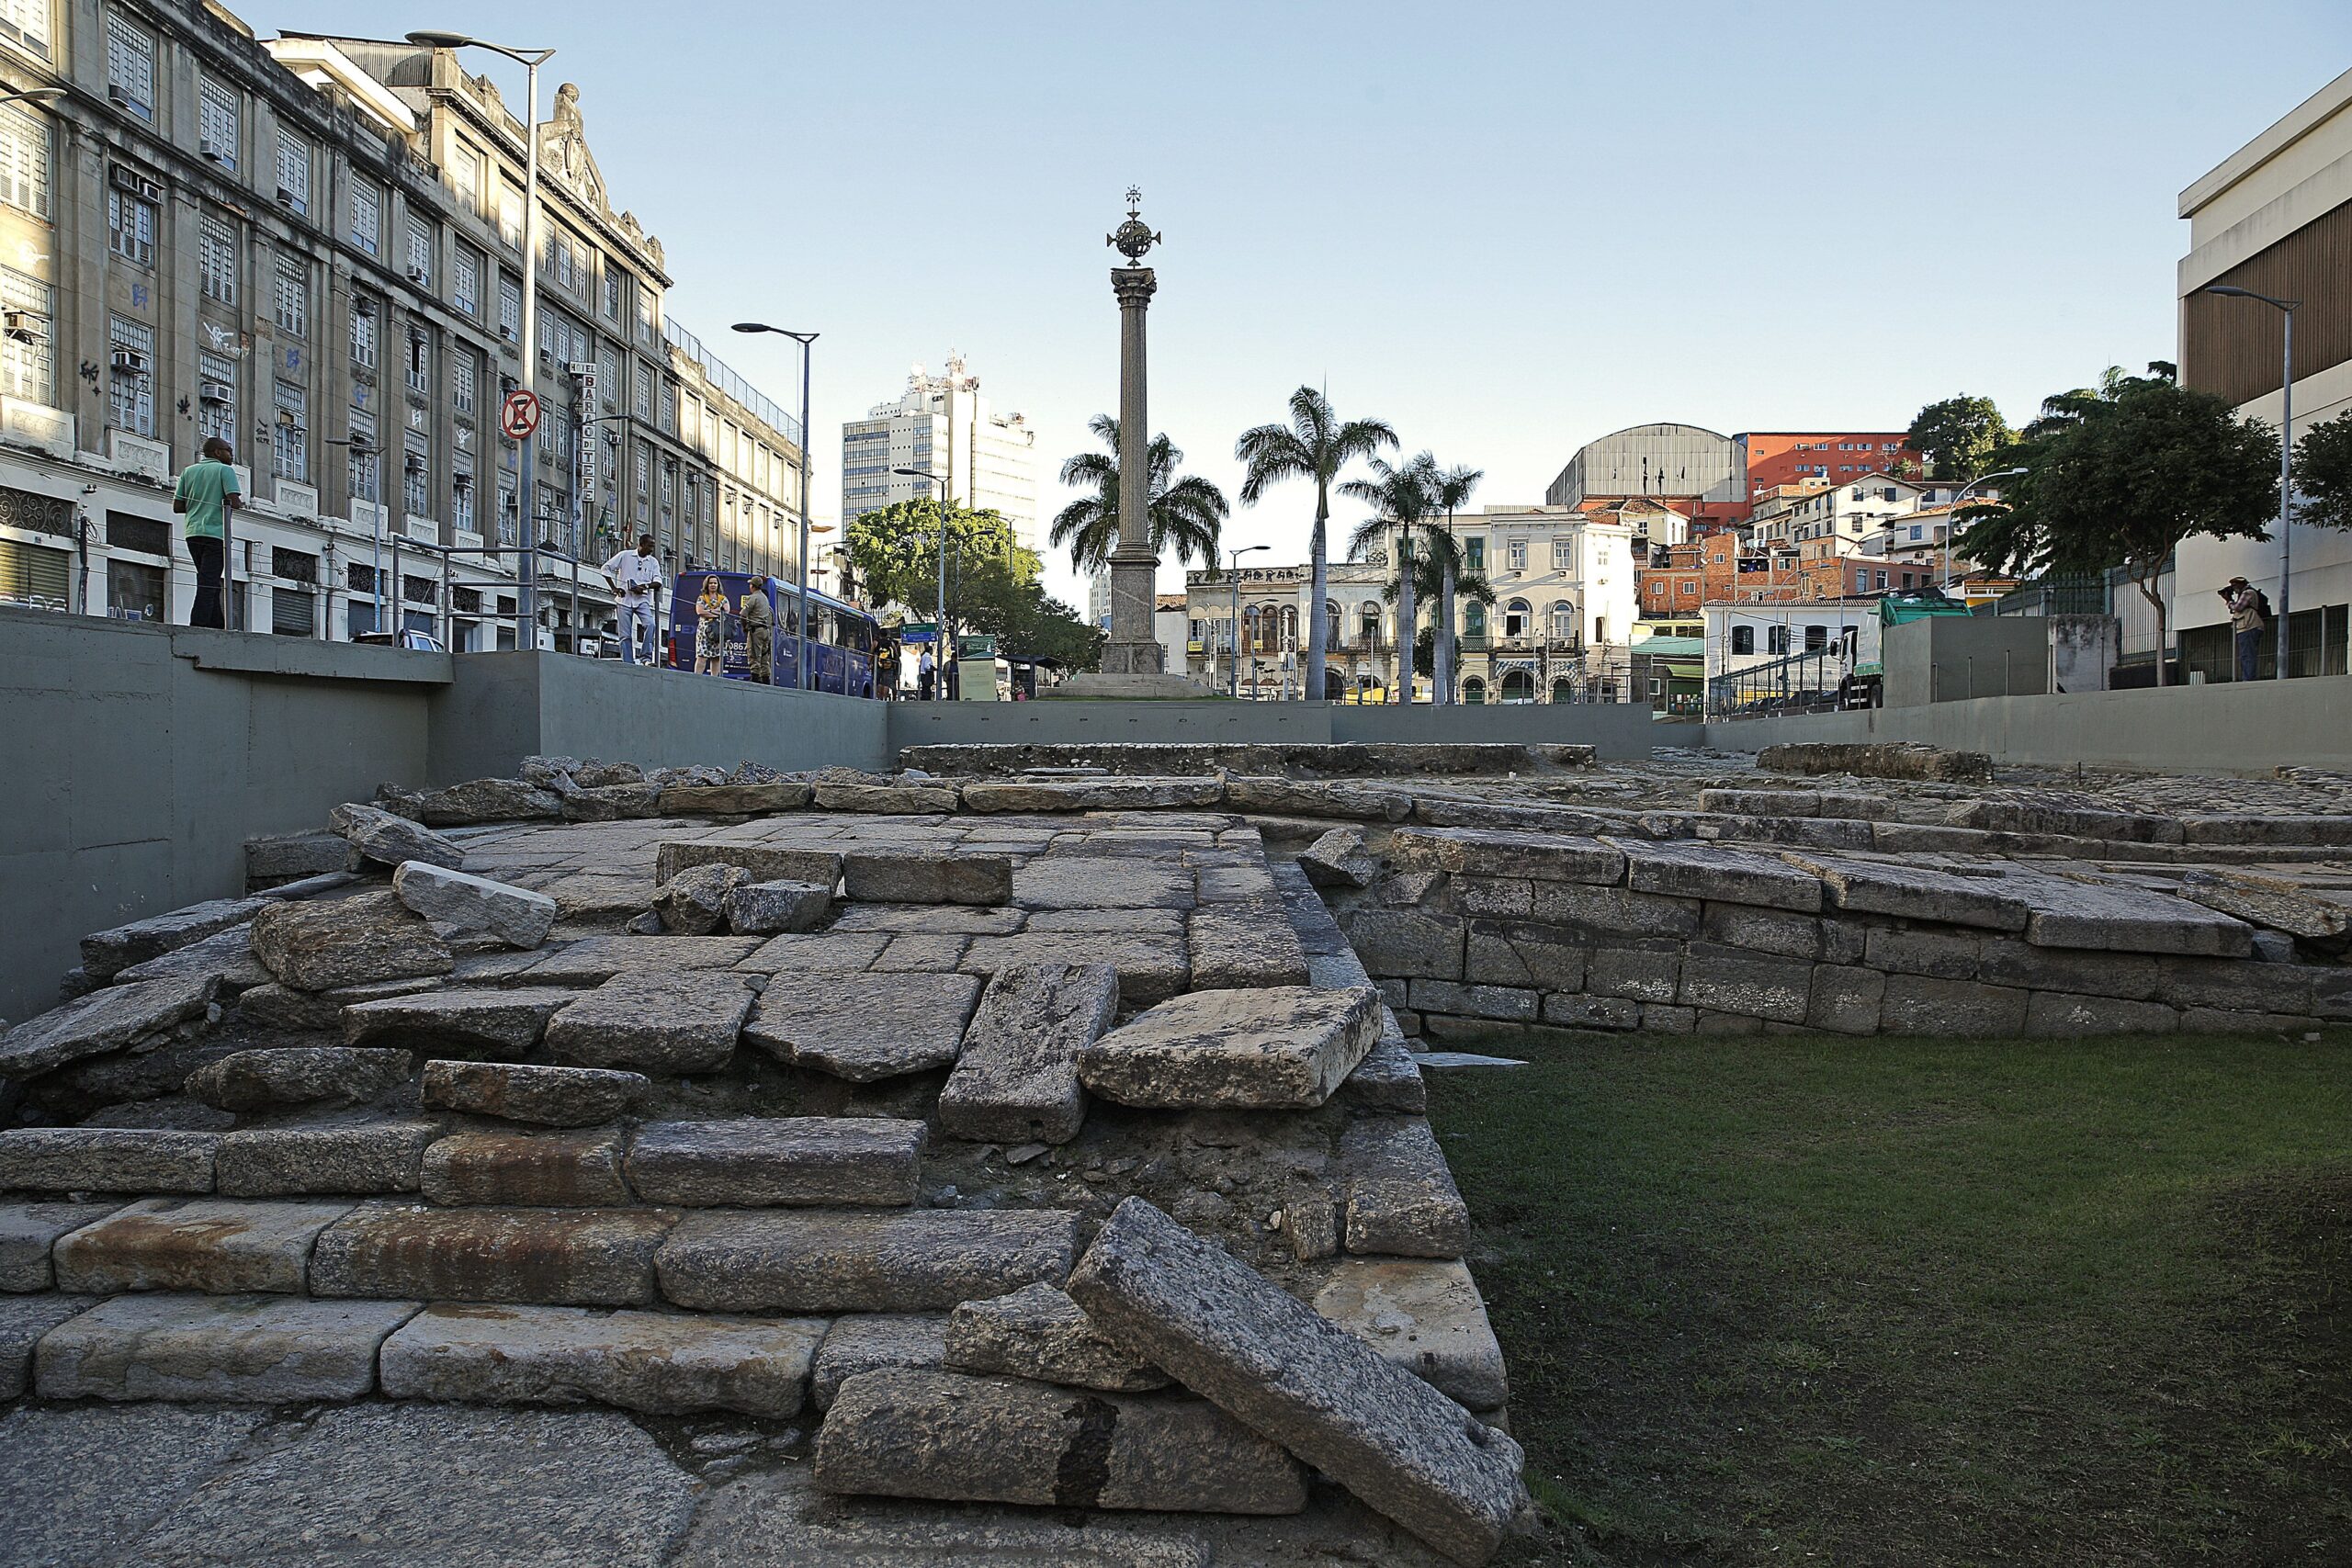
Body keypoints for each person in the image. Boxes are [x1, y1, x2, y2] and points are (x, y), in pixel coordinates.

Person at [173, 436, 242, 628]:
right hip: (215, 534)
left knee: (209, 580)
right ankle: (198, 624)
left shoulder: (189, 471)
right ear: (218, 452)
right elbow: (234, 502)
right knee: (208, 582)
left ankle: (217, 624)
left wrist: (198, 503)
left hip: (193, 533)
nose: (231, 455)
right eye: (229, 450)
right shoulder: (224, 470)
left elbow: (178, 506)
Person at [601, 534, 663, 664]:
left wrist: (644, 586)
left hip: (642, 600)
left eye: (653, 546)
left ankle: (645, 657)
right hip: (624, 600)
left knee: (650, 625)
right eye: (649, 546)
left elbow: (658, 581)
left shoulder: (653, 562)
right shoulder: (625, 556)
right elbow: (606, 568)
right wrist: (614, 588)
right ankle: (628, 662)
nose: (651, 549)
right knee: (625, 635)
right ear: (641, 544)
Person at [2222, 575, 2268, 681]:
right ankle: (2247, 677)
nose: (2233, 588)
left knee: (2247, 654)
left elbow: (2238, 607)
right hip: (2248, 626)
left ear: (2241, 584)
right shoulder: (2246, 593)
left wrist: (2229, 601)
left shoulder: (2248, 593)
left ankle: (2248, 679)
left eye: (2235, 585)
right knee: (2245, 654)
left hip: (2249, 627)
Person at [739, 574, 775, 684]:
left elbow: (743, 614)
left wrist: (744, 627)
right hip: (766, 631)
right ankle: (765, 679)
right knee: (764, 656)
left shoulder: (753, 598)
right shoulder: (764, 598)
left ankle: (755, 678)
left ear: (752, 586)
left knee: (754, 654)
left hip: (755, 630)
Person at [692, 576, 729, 675]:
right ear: (707, 585)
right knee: (702, 656)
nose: (713, 585)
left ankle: (714, 680)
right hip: (704, 632)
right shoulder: (701, 598)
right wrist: (715, 613)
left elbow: (726, 611)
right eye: (711, 583)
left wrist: (708, 611)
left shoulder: (723, 599)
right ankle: (697, 678)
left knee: (716, 657)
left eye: (715, 583)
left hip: (718, 631)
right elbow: (699, 611)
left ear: (718, 585)